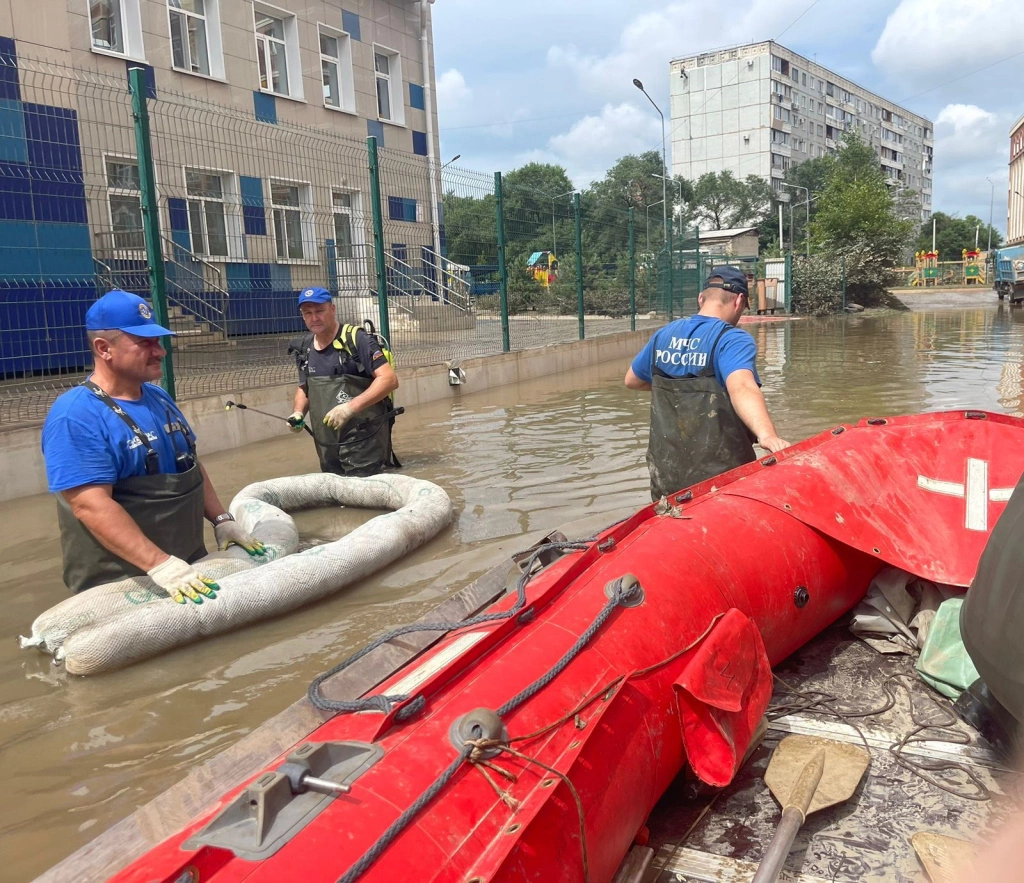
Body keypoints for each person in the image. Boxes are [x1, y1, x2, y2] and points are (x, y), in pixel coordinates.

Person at [41, 290, 265, 604]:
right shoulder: (77, 416)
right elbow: (90, 505)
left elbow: (189, 465)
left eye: (158, 341)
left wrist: (221, 520)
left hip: (187, 572)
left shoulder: (160, 399)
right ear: (104, 348)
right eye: (145, 343)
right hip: (123, 586)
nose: (160, 352)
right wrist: (158, 563)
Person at [625, 266, 789, 500]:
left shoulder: (664, 335)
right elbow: (742, 387)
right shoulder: (732, 339)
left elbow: (632, 380)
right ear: (740, 300)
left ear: (701, 298)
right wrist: (767, 435)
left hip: (667, 477)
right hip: (720, 480)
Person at [287, 287, 400, 476]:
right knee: (335, 487)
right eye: (308, 313)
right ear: (302, 315)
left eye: (319, 311)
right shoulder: (305, 349)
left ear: (332, 309)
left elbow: (389, 379)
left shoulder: (356, 339)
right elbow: (304, 388)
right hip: (327, 444)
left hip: (364, 439)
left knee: (363, 488)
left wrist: (350, 408)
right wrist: (298, 413)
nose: (314, 318)